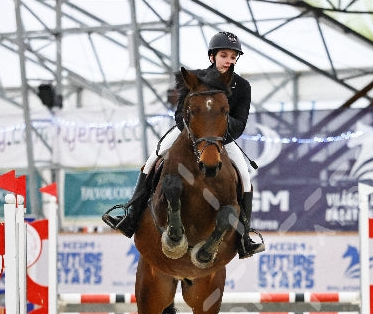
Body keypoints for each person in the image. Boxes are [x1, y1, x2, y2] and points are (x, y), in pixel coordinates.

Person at [102, 31, 264, 259]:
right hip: (190, 136)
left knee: (245, 177)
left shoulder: (242, 86)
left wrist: (215, 130)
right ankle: (130, 216)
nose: (229, 60)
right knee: (153, 159)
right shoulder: (194, 79)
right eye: (224, 55)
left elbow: (240, 124)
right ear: (212, 57)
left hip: (220, 140)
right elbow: (180, 115)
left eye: (233, 56)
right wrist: (197, 130)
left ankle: (244, 237)